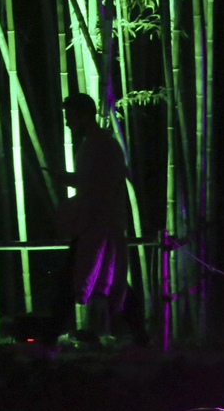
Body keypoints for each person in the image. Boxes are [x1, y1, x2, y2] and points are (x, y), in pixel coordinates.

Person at [44, 92, 148, 346]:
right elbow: (93, 182)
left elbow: (101, 186)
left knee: (77, 278)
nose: (67, 122)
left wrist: (76, 199)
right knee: (105, 279)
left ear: (83, 116)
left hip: (98, 224)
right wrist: (67, 179)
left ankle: (50, 336)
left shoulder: (101, 145)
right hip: (96, 223)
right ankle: (139, 333)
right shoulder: (98, 144)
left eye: (70, 116)